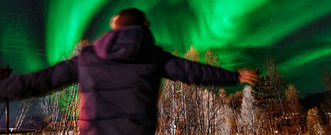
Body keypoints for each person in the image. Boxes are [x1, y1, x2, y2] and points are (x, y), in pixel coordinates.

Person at [0, 8, 258, 135]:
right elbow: (193, 71)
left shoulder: (87, 59)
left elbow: (39, 81)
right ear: (144, 27)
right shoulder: (154, 57)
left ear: (115, 27)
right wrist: (234, 77)